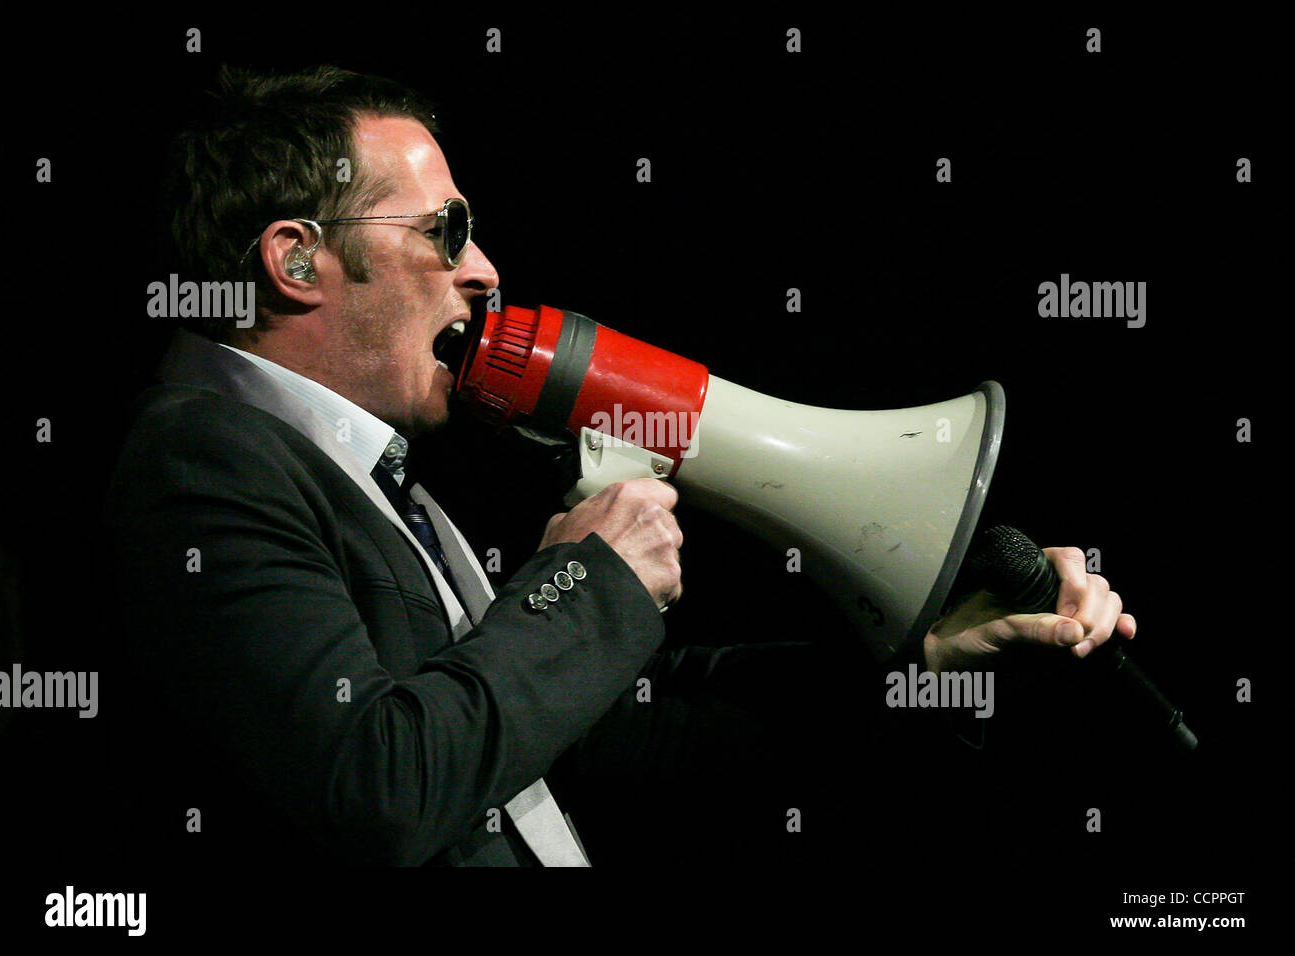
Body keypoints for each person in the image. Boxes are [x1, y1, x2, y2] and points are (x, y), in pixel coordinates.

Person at [104, 65, 1134, 867]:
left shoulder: (368, 480)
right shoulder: (197, 460)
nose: (482, 269)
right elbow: (377, 784)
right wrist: (583, 584)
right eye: (444, 229)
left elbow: (616, 736)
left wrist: (928, 668)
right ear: (293, 259)